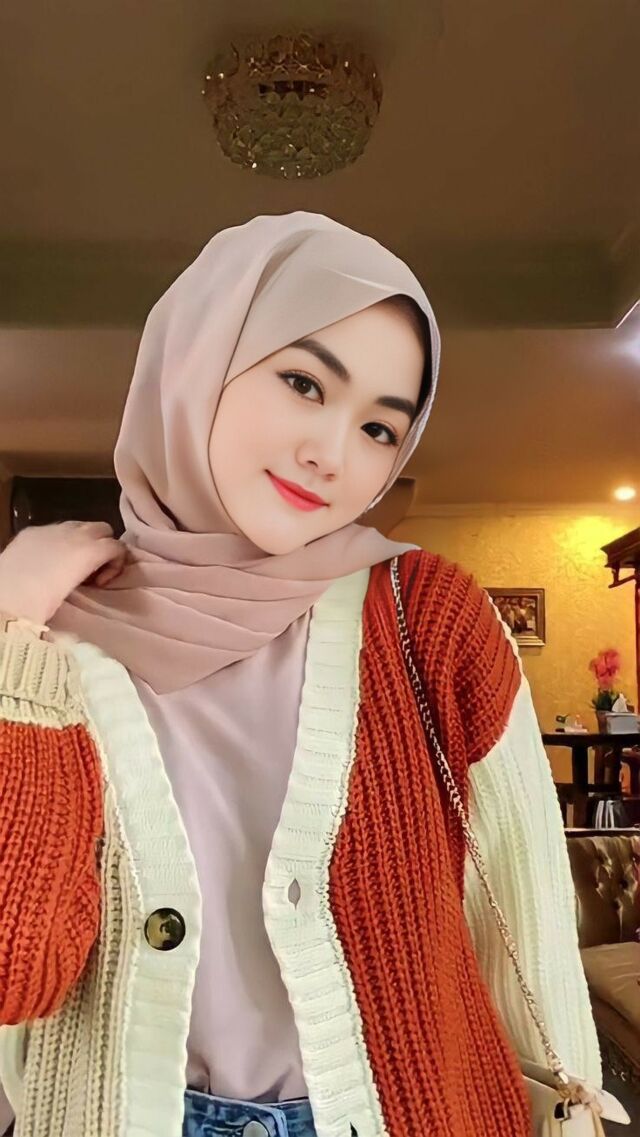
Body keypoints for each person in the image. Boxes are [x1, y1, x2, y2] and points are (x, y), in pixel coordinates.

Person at [0, 213, 600, 1137]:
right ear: (198, 360)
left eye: (379, 428)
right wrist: (7, 636)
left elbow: (527, 923)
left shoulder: (430, 618)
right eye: (303, 382)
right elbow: (18, 970)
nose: (333, 454)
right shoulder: (51, 642)